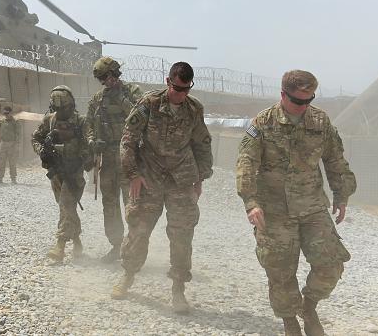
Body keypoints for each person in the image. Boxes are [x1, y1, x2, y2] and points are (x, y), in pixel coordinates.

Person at [236, 70, 356, 336]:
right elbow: (246, 163)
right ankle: (290, 321)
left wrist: (341, 194)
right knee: (280, 272)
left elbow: (335, 159)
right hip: (274, 211)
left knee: (331, 264)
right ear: (283, 94)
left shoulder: (320, 121)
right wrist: (251, 202)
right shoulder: (263, 123)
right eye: (297, 101)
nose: (303, 106)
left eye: (308, 100)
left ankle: (309, 307)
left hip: (312, 207)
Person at [111, 62, 213, 315]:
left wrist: (200, 178)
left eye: (186, 89)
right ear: (168, 82)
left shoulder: (194, 109)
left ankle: (178, 289)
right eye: (177, 88)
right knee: (139, 229)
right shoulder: (149, 103)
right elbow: (128, 140)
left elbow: (202, 144)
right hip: (150, 176)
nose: (181, 94)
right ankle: (128, 275)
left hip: (181, 179)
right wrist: (133, 174)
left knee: (182, 235)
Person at [86, 56, 142, 263]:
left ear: (115, 73)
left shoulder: (132, 91)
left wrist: (120, 97)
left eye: (106, 77)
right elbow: (88, 124)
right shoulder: (98, 99)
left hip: (129, 157)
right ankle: (117, 245)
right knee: (109, 204)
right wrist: (92, 141)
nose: (104, 82)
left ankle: (134, 246)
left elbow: (140, 116)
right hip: (108, 159)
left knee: (132, 203)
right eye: (101, 79)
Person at [32, 86, 93, 263]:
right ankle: (77, 241)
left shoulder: (81, 121)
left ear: (71, 105)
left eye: (64, 108)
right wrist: (42, 151)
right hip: (56, 171)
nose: (61, 112)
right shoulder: (50, 120)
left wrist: (81, 158)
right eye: (57, 109)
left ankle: (60, 245)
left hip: (73, 171)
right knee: (66, 207)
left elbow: (90, 143)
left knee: (66, 204)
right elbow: (35, 138)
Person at [0, 105, 21, 184]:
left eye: (7, 113)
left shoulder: (15, 122)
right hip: (3, 144)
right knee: (1, 162)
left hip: (12, 144)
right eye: (4, 113)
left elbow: (18, 134)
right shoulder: (2, 121)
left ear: (11, 113)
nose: (5, 115)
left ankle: (13, 179)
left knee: (12, 162)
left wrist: (16, 144)